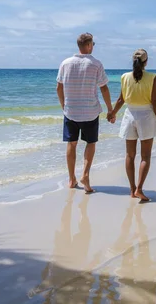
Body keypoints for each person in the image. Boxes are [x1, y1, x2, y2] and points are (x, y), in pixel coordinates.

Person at [57, 33, 113, 194]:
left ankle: (71, 179)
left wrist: (64, 106)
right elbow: (103, 87)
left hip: (71, 111)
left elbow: (59, 88)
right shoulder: (95, 64)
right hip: (90, 111)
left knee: (71, 143)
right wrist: (110, 109)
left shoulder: (65, 63)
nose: (93, 46)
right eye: (93, 44)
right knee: (90, 143)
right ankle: (85, 176)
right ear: (88, 45)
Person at [108, 49, 156, 202]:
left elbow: (121, 100)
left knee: (129, 156)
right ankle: (139, 189)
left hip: (129, 115)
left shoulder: (125, 77)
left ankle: (132, 190)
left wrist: (112, 113)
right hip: (146, 116)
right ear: (146, 61)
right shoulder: (152, 77)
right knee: (145, 156)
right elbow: (154, 101)